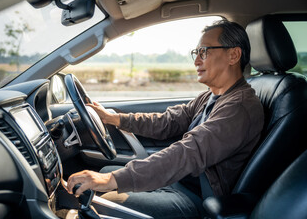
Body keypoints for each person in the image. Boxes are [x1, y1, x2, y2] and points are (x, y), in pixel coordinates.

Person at [66, 20, 264, 218]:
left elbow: (190, 151)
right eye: (196, 53)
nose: (196, 61)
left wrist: (111, 179)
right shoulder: (212, 95)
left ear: (233, 55)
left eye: (204, 51)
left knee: (105, 202)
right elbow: (168, 121)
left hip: (197, 198)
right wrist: (114, 118)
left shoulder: (239, 107)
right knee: (104, 175)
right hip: (178, 182)